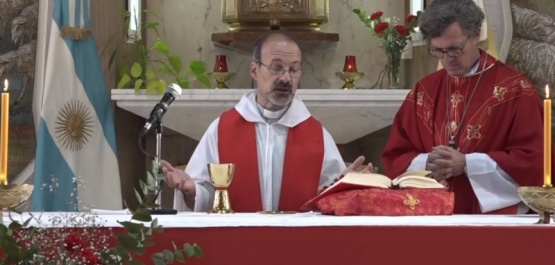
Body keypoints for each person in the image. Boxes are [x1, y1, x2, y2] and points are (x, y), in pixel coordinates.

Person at [162, 33, 372, 212]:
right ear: (254, 71)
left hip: (298, 249)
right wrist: (191, 189)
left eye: (294, 69)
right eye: (276, 68)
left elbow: (328, 197)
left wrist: (346, 185)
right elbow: (207, 197)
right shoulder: (222, 129)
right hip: (239, 249)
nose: (286, 78)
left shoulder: (315, 134)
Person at [382, 0, 543, 214]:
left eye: (454, 49)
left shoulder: (515, 89)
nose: (447, 60)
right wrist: (426, 163)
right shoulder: (425, 90)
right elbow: (396, 154)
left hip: (489, 219)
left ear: (476, 35)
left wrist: (467, 164)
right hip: (429, 213)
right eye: (438, 51)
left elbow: (533, 162)